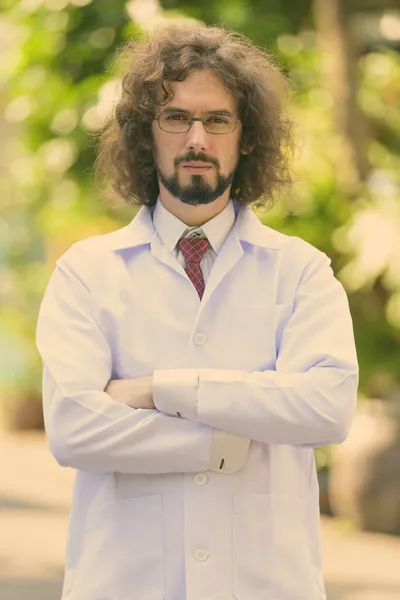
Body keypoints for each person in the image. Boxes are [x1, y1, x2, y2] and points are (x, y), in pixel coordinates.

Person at [36, 23, 359, 600]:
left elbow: (326, 408)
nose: (197, 140)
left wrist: (159, 388)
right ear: (146, 135)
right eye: (175, 119)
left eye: (218, 120)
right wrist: (227, 441)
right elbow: (74, 428)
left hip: (266, 583)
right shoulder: (86, 273)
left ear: (247, 137)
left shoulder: (302, 271)